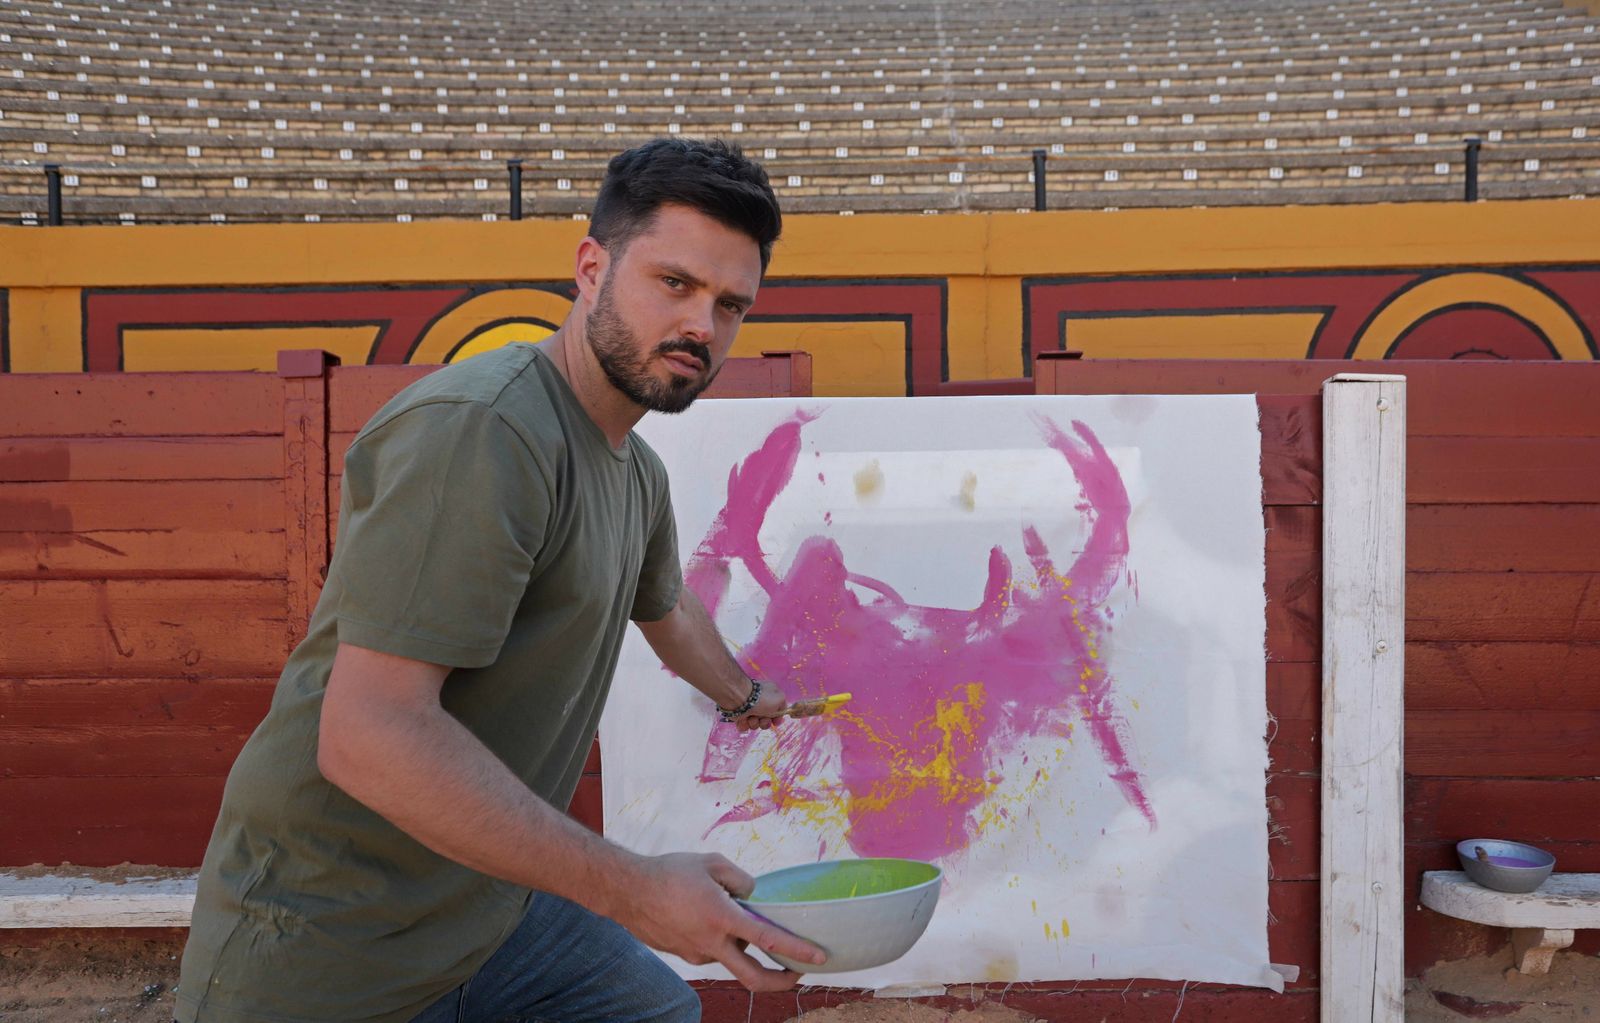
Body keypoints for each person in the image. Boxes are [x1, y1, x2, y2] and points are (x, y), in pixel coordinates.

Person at [175, 138, 826, 1023]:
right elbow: (366, 732)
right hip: (333, 945)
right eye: (674, 284)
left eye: (730, 305)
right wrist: (635, 891)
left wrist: (753, 698)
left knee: (658, 1012)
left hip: (490, 908)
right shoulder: (485, 432)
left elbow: (664, 604)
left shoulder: (634, 469)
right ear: (591, 269)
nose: (701, 329)